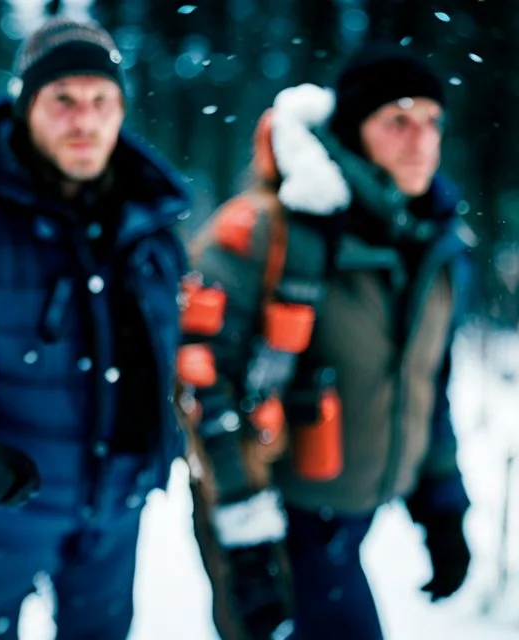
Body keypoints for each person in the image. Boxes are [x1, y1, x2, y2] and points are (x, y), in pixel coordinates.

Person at [0, 17, 192, 639]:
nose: (85, 120)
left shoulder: (150, 218)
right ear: (26, 106)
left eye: (102, 101)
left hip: (117, 502)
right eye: (64, 101)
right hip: (5, 500)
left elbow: (171, 344)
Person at [181, 42, 474, 640]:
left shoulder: (436, 243)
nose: (419, 140)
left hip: (355, 513)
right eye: (397, 120)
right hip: (281, 518)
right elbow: (200, 379)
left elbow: (429, 379)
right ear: (353, 131)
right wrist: (246, 536)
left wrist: (442, 506)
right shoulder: (268, 231)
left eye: (431, 122)